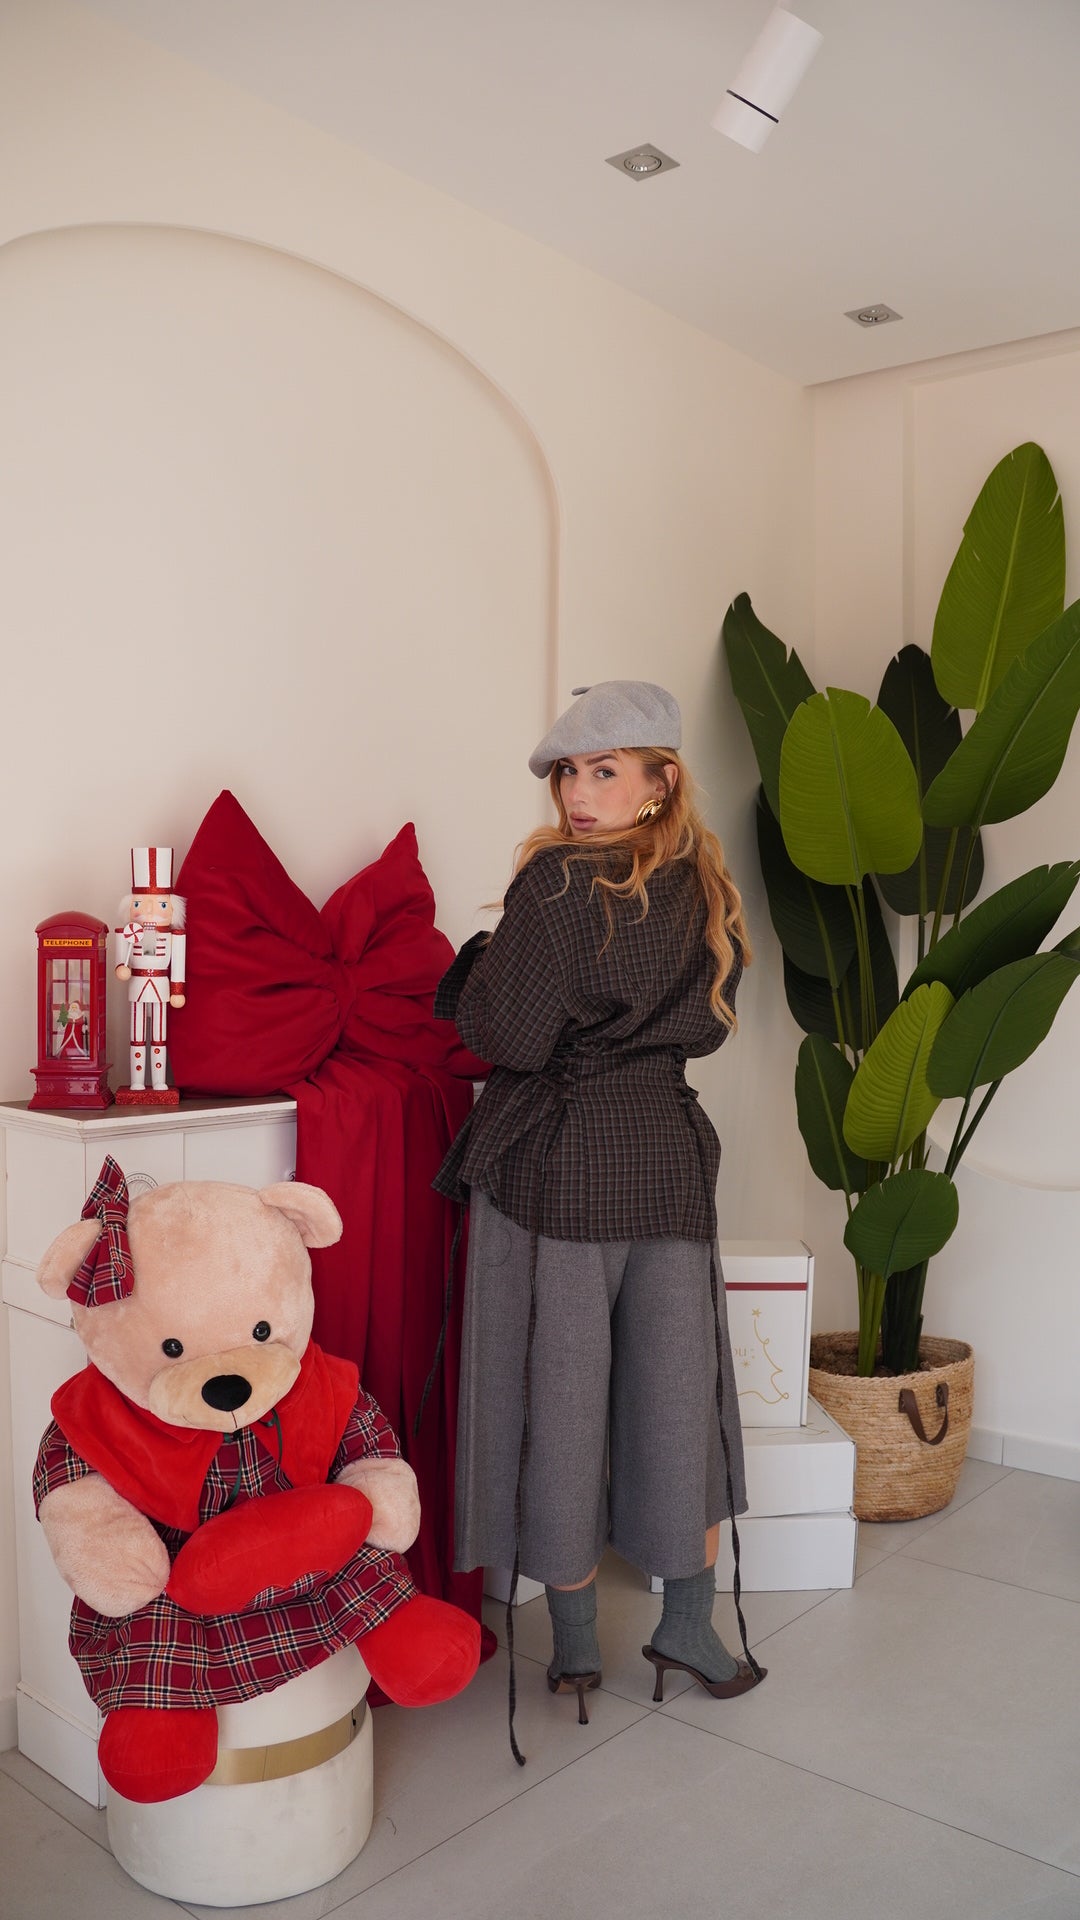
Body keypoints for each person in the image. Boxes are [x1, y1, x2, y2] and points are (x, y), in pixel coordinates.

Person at [434, 680, 765, 1760]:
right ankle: (689, 1630)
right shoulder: (705, 883)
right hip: (667, 1162)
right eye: (570, 772)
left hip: (561, 1170)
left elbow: (509, 1039)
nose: (580, 793)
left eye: (605, 770)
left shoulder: (555, 884)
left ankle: (574, 1648)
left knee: (560, 1406)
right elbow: (707, 1024)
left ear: (660, 779)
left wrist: (476, 969)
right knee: (679, 1397)